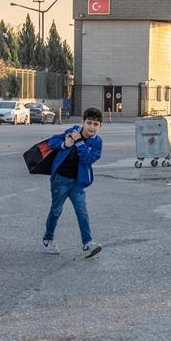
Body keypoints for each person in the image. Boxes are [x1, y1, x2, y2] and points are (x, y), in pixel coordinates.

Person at [42, 106, 104, 258]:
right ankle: (48, 240)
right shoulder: (73, 131)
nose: (92, 127)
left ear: (100, 126)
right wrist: (66, 143)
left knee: (82, 212)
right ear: (84, 122)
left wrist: (79, 142)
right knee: (56, 210)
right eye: (89, 123)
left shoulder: (97, 142)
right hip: (60, 180)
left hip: (78, 182)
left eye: (95, 124)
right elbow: (52, 142)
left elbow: (88, 159)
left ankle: (88, 243)